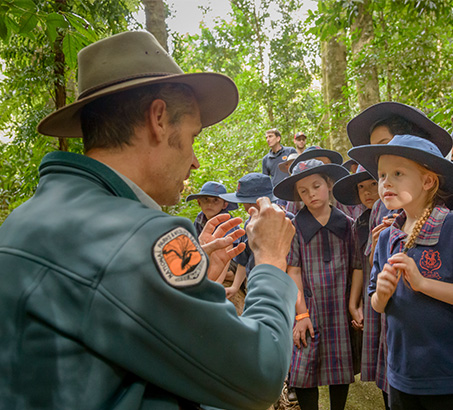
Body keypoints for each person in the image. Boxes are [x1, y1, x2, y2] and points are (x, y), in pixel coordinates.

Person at [0, 31, 299, 410]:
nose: (195, 161)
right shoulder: (145, 237)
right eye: (192, 137)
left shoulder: (21, 220)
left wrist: (188, 288)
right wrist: (271, 262)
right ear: (158, 119)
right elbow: (261, 374)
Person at [349, 134, 453, 410]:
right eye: (382, 175)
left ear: (428, 181)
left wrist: (422, 283)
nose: (386, 183)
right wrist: (382, 295)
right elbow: (375, 302)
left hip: (444, 376)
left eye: (398, 173)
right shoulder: (387, 236)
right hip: (400, 373)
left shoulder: (449, 227)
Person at [274, 159, 360, 410]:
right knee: (303, 369)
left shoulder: (347, 225)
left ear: (329, 185)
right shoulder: (296, 227)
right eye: (303, 191)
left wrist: (353, 304)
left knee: (339, 368)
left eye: (316, 186)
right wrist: (301, 314)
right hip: (308, 308)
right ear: (297, 196)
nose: (311, 194)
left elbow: (356, 266)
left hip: (338, 308)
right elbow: (294, 270)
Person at [346, 102, 453, 264]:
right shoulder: (379, 207)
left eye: (384, 144)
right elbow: (375, 267)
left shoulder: (447, 210)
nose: (379, 154)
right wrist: (379, 247)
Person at [333, 166, 389, 409]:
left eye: (371, 184)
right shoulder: (360, 224)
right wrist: (354, 304)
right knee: (380, 362)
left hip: (389, 296)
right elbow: (359, 265)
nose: (367, 192)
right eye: (361, 187)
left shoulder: (394, 217)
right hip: (370, 296)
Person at [218, 173, 283, 299]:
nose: (244, 207)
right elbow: (244, 259)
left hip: (279, 284)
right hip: (253, 284)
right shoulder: (249, 224)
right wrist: (235, 287)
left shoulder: (285, 221)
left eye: (245, 203)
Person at [289, 146, 365, 220]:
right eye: (313, 165)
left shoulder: (345, 196)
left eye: (325, 165)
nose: (311, 193)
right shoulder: (296, 201)